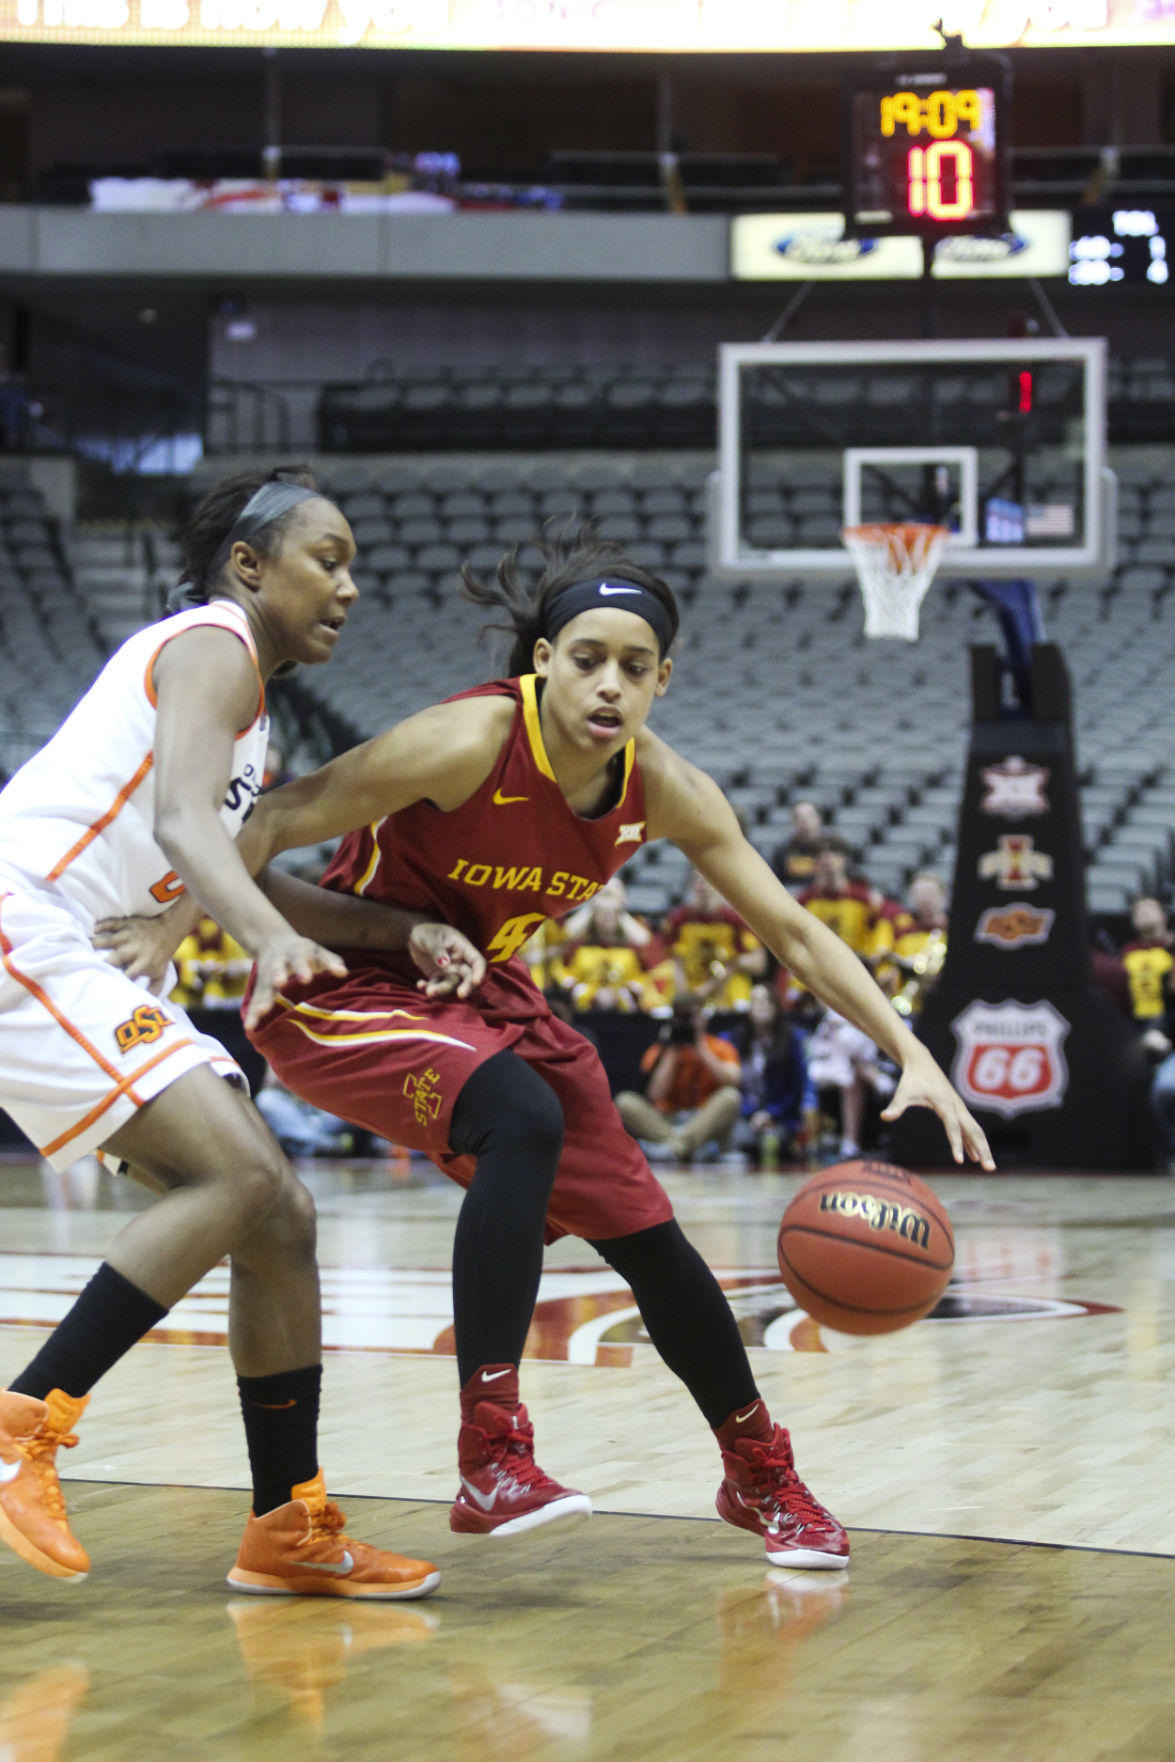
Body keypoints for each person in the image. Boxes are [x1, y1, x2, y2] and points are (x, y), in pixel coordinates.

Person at [112, 529, 993, 1576]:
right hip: (339, 986)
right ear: (542, 661)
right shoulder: (466, 740)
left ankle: (759, 1470)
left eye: (632, 665)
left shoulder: (663, 789)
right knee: (519, 1112)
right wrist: (178, 935)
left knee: (652, 1239)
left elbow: (794, 933)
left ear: (663, 678)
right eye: (585, 658)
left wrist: (910, 1051)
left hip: (483, 997)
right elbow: (269, 819)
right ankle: (491, 1452)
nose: (608, 684)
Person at [0, 466, 476, 1598]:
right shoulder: (211, 643)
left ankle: (285, 1524)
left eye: (353, 564)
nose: (349, 586)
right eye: (329, 557)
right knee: (243, 1173)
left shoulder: (241, 706)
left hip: (71, 940)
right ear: (250, 566)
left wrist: (398, 930)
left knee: (282, 1215)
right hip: (27, 918)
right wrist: (258, 936)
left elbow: (231, 853)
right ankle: (22, 1425)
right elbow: (182, 825)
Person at [614, 998, 743, 1161]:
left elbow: (733, 1080)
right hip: (667, 1118)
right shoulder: (661, 1049)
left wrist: (701, 1049)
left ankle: (672, 1148)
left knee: (730, 1096)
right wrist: (672, 1052)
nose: (690, 1023)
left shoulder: (720, 1046)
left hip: (703, 1117)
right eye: (685, 1018)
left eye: (694, 1016)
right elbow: (655, 1095)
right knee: (625, 1101)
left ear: (704, 1018)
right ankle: (687, 1145)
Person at [725, 983, 816, 1167]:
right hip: (747, 1115)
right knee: (743, 1141)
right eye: (756, 1001)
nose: (762, 1005)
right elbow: (734, 1085)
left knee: (777, 1143)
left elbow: (796, 1088)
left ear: (776, 1006)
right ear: (749, 1009)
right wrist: (751, 1114)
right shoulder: (737, 1040)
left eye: (767, 1000)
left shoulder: (791, 1041)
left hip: (780, 1116)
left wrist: (771, 1114)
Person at [662, 868, 766, 1010]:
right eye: (697, 881)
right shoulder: (677, 920)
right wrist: (685, 998)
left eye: (707, 881)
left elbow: (759, 963)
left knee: (739, 982)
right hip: (689, 984)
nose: (702, 887)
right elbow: (672, 962)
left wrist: (734, 961)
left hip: (725, 986)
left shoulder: (735, 920)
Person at [770, 800, 826, 892]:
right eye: (798, 818)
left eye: (809, 817)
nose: (804, 823)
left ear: (819, 819)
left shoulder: (831, 850)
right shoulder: (782, 852)